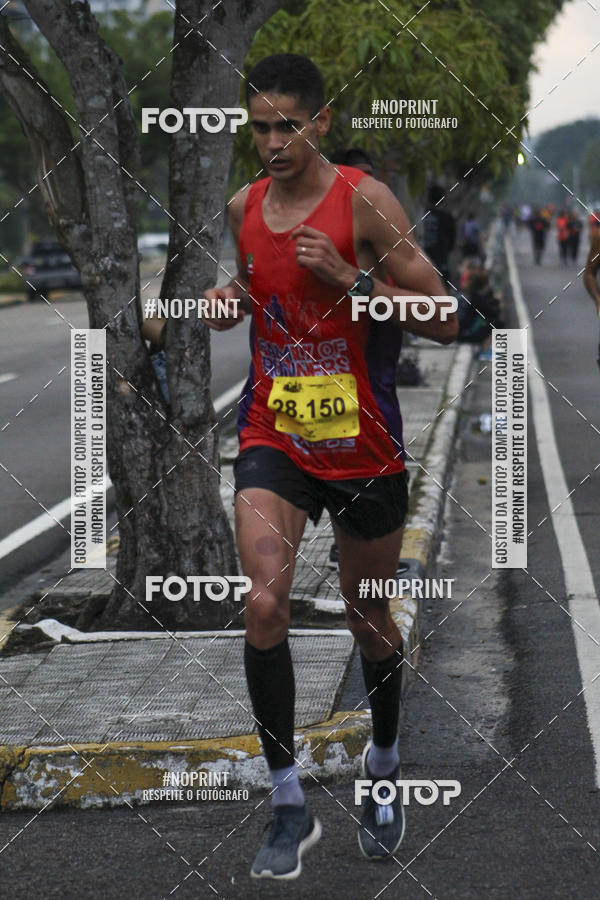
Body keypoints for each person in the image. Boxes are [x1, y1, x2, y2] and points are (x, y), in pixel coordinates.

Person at [202, 53, 457, 880]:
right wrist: (219, 305)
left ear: (319, 123)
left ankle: (382, 764)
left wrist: (354, 282)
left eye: (287, 126)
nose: (272, 142)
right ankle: (287, 801)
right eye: (260, 127)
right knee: (264, 604)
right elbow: (241, 287)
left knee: (368, 619)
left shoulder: (366, 202)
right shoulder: (244, 206)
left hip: (364, 446)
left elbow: (447, 316)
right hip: (275, 435)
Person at [423, 184, 456, 282]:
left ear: (428, 198)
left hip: (420, 262)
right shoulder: (446, 217)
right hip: (440, 262)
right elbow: (452, 241)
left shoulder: (422, 215)